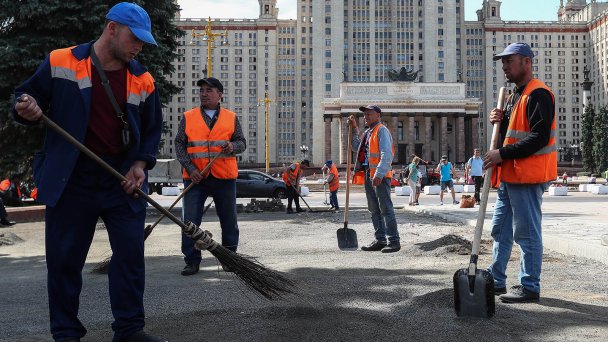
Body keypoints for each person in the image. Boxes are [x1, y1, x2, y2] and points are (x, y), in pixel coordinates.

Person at [13, 3, 164, 341]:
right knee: (64, 262)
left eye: (142, 41)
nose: (138, 47)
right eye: (134, 38)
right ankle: (66, 333)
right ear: (112, 28)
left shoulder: (143, 78)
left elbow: (153, 128)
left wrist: (140, 164)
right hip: (72, 179)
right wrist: (27, 106)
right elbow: (24, 98)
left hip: (122, 181)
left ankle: (129, 330)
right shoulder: (60, 61)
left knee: (129, 259)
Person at [484, 42, 556, 303]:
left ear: (526, 62)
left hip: (527, 176)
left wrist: (501, 154)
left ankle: (529, 286)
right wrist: (500, 121)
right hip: (510, 176)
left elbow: (538, 137)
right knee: (500, 230)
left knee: (526, 233)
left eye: (509, 61)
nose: (504, 66)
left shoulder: (539, 94)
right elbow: (512, 135)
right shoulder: (515, 95)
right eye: (502, 62)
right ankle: (496, 279)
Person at [175, 77, 246, 276]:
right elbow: (179, 144)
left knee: (229, 219)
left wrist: (232, 147)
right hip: (196, 179)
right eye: (202, 91)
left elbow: (241, 142)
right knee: (189, 221)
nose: (204, 94)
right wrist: (190, 169)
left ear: (220, 95)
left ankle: (229, 258)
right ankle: (191, 261)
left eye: (209, 90)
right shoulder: (188, 117)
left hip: (223, 177)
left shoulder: (231, 117)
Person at [349, 105, 400, 253]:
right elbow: (355, 147)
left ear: (378, 115)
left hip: (380, 176)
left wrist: (379, 174)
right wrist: (354, 129)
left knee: (386, 209)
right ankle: (380, 239)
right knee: (374, 210)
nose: (366, 117)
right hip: (368, 175)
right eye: (365, 115)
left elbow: (386, 155)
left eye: (369, 114)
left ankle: (394, 241)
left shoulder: (381, 130)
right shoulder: (368, 133)